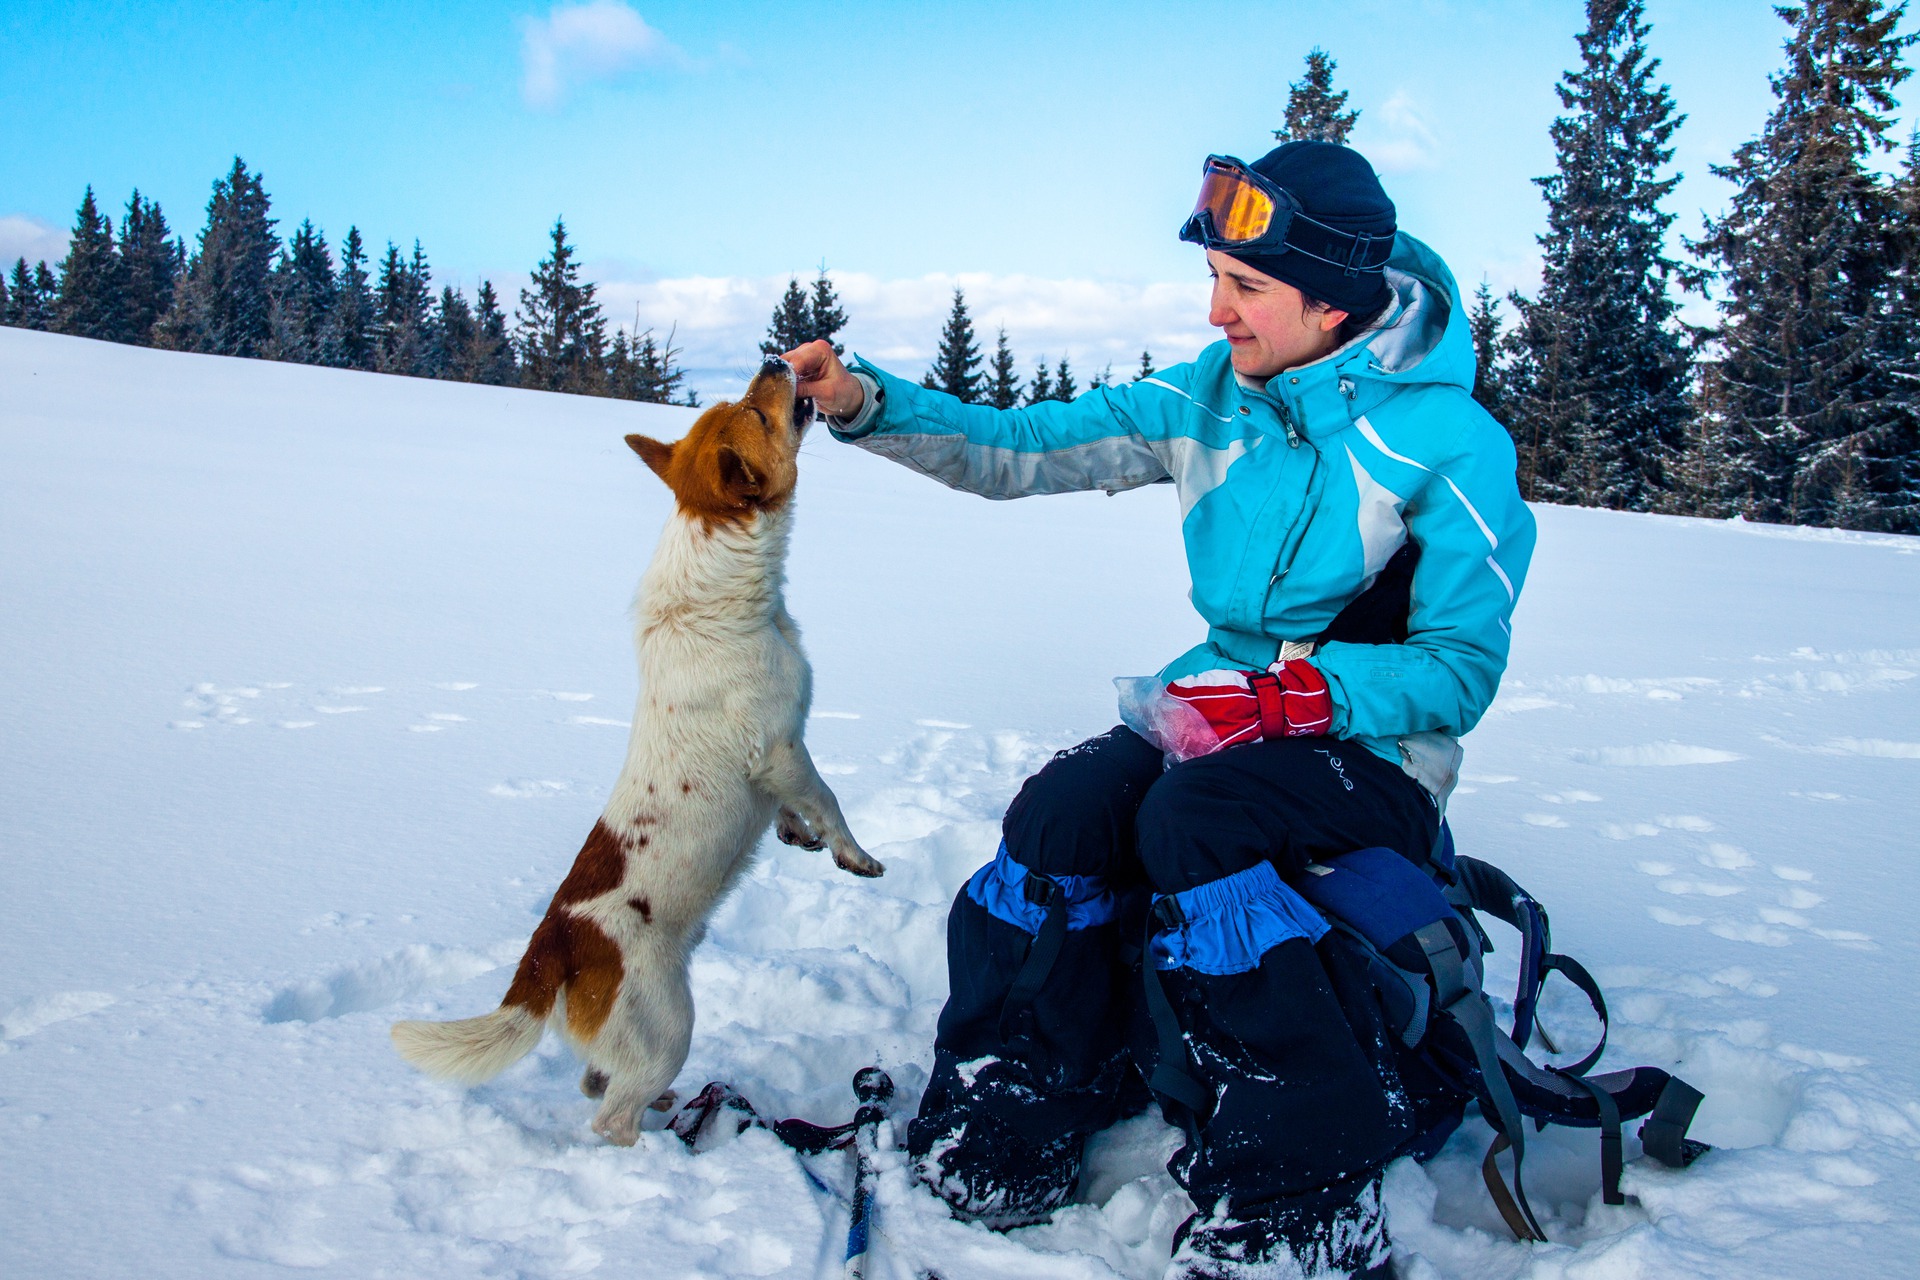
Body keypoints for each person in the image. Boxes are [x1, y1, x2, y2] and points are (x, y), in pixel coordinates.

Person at [786, 141, 1535, 1280]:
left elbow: (1459, 668)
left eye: (1247, 286)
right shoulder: (1207, 397)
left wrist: (1300, 694)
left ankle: (1302, 1194)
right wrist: (862, 402)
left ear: (1331, 304)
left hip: (1374, 746)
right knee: (1064, 809)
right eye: (1215, 279)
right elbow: (1018, 447)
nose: (1216, 310)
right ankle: (1020, 1100)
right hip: (1215, 709)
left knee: (1198, 822)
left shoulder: (1451, 444)